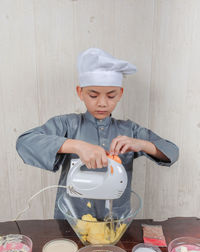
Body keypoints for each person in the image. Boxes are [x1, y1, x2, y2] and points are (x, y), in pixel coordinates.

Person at [16, 48, 179, 220]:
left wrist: (142, 144)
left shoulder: (129, 130)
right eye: (93, 95)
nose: (102, 103)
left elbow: (172, 152)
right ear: (80, 92)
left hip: (116, 220)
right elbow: (25, 142)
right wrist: (76, 145)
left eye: (111, 95)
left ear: (120, 94)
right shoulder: (67, 124)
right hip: (72, 220)